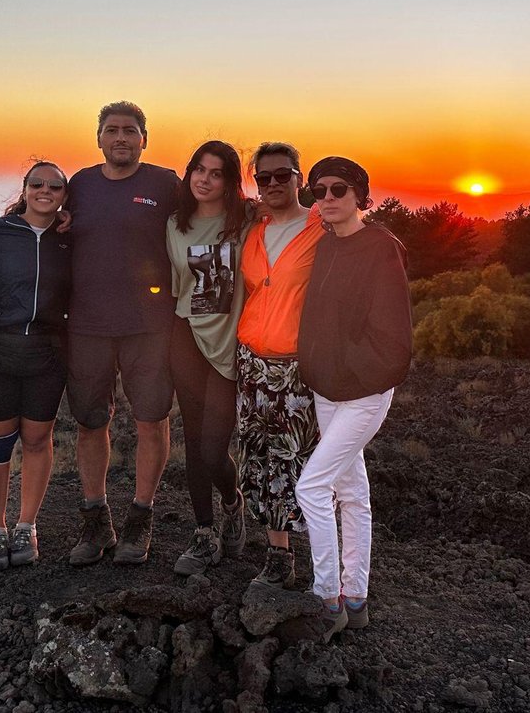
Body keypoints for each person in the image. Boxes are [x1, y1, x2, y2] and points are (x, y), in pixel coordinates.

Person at [296, 156, 412, 639]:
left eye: (337, 190)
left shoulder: (380, 248)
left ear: (360, 195)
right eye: (317, 190)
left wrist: (357, 370)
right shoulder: (326, 245)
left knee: (311, 487)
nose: (326, 198)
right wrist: (319, 366)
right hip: (327, 388)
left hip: (363, 392)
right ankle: (357, 597)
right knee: (351, 491)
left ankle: (327, 599)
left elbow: (393, 334)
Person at [65, 101, 181, 566]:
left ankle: (141, 516)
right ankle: (96, 521)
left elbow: (207, 217)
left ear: (144, 139)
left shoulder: (165, 183)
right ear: (98, 137)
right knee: (91, 423)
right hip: (88, 324)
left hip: (150, 325)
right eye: (111, 130)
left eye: (129, 131)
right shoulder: (80, 184)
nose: (120, 138)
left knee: (152, 419)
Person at [0, 161, 72, 571]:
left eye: (54, 186)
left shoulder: (70, 238)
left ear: (65, 195)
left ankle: (26, 525)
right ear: (25, 188)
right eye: (37, 184)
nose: (45, 191)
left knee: (36, 438)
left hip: (50, 350)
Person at [235, 141, 326, 588]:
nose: (272, 184)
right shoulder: (254, 227)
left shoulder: (322, 224)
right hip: (251, 362)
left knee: (299, 462)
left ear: (299, 178)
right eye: (263, 178)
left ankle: (323, 559)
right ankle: (278, 555)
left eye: (282, 175)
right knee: (260, 458)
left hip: (297, 367)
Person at [165, 140, 250, 575]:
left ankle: (234, 504)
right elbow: (176, 287)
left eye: (216, 173)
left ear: (230, 181)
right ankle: (204, 533)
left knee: (215, 449)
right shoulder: (175, 225)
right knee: (195, 442)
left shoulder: (247, 221)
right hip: (187, 340)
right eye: (198, 168)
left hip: (231, 345)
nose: (204, 178)